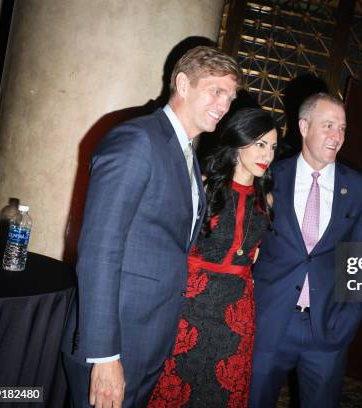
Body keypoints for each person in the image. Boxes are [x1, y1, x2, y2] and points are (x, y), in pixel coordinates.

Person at [61, 46, 241, 408]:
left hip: (147, 338)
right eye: (216, 91)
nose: (224, 104)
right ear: (183, 84)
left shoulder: (186, 153)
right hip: (114, 343)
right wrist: (105, 355)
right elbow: (99, 251)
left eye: (231, 96)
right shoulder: (138, 140)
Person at [249, 93, 362, 408]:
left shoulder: (359, 189)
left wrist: (349, 320)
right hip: (269, 322)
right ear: (304, 126)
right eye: (329, 125)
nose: (337, 136)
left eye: (342, 128)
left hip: (327, 328)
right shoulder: (269, 176)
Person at [148, 108, 278, 407]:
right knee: (174, 387)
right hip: (192, 303)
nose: (267, 155)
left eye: (272, 147)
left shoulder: (265, 199)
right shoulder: (204, 184)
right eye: (260, 144)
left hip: (236, 311)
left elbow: (253, 252)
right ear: (238, 141)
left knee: (220, 392)